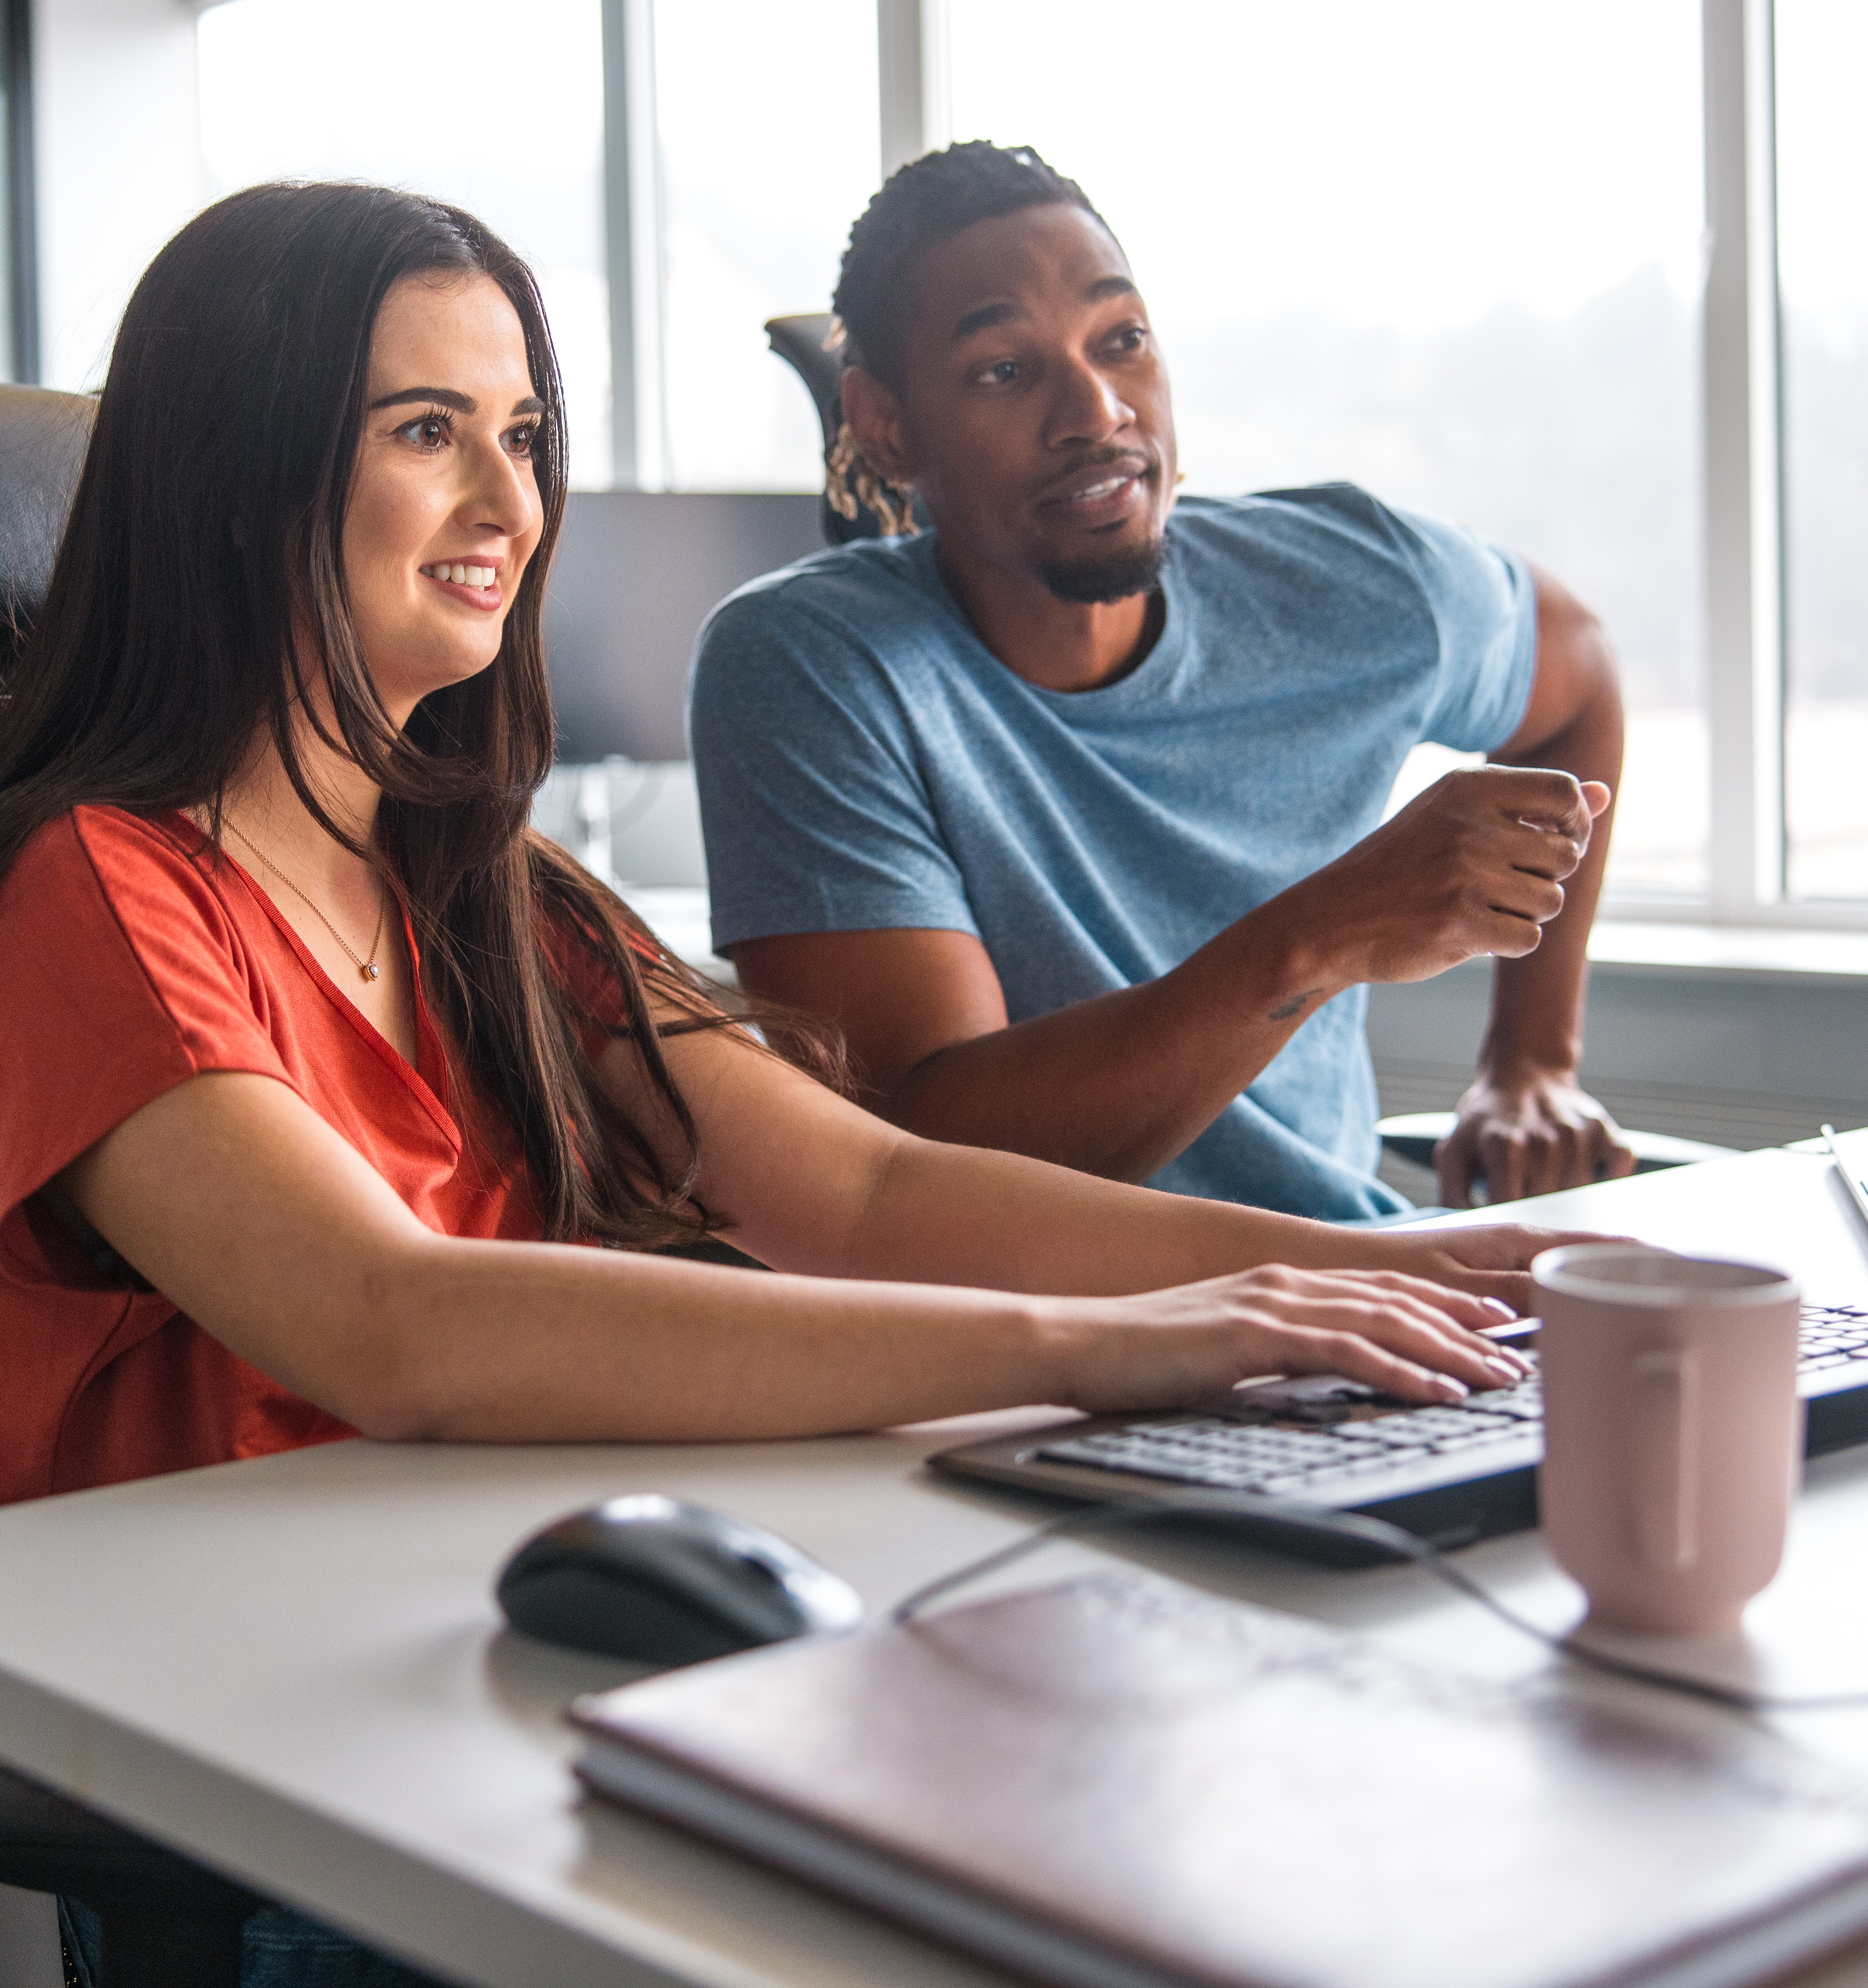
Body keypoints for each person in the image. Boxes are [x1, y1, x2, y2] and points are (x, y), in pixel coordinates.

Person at [0, 181, 1610, 1988]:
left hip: (426, 1667)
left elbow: (862, 1192)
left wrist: (1382, 1280)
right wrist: (1092, 1342)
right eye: (429, 432)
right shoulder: (88, 887)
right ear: (243, 485)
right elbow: (390, 1324)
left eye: (523, 433)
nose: (508, 502)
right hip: (191, 1779)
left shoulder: (484, 886)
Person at [689, 141, 1637, 1223]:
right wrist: (1320, 934)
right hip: (1037, 1345)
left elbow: (1581, 679)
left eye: (1122, 340)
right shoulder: (811, 667)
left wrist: (1532, 1061)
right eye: (1004, 368)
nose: (1095, 411)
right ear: (885, 424)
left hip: (1361, 1289)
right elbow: (926, 1159)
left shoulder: (1357, 583)